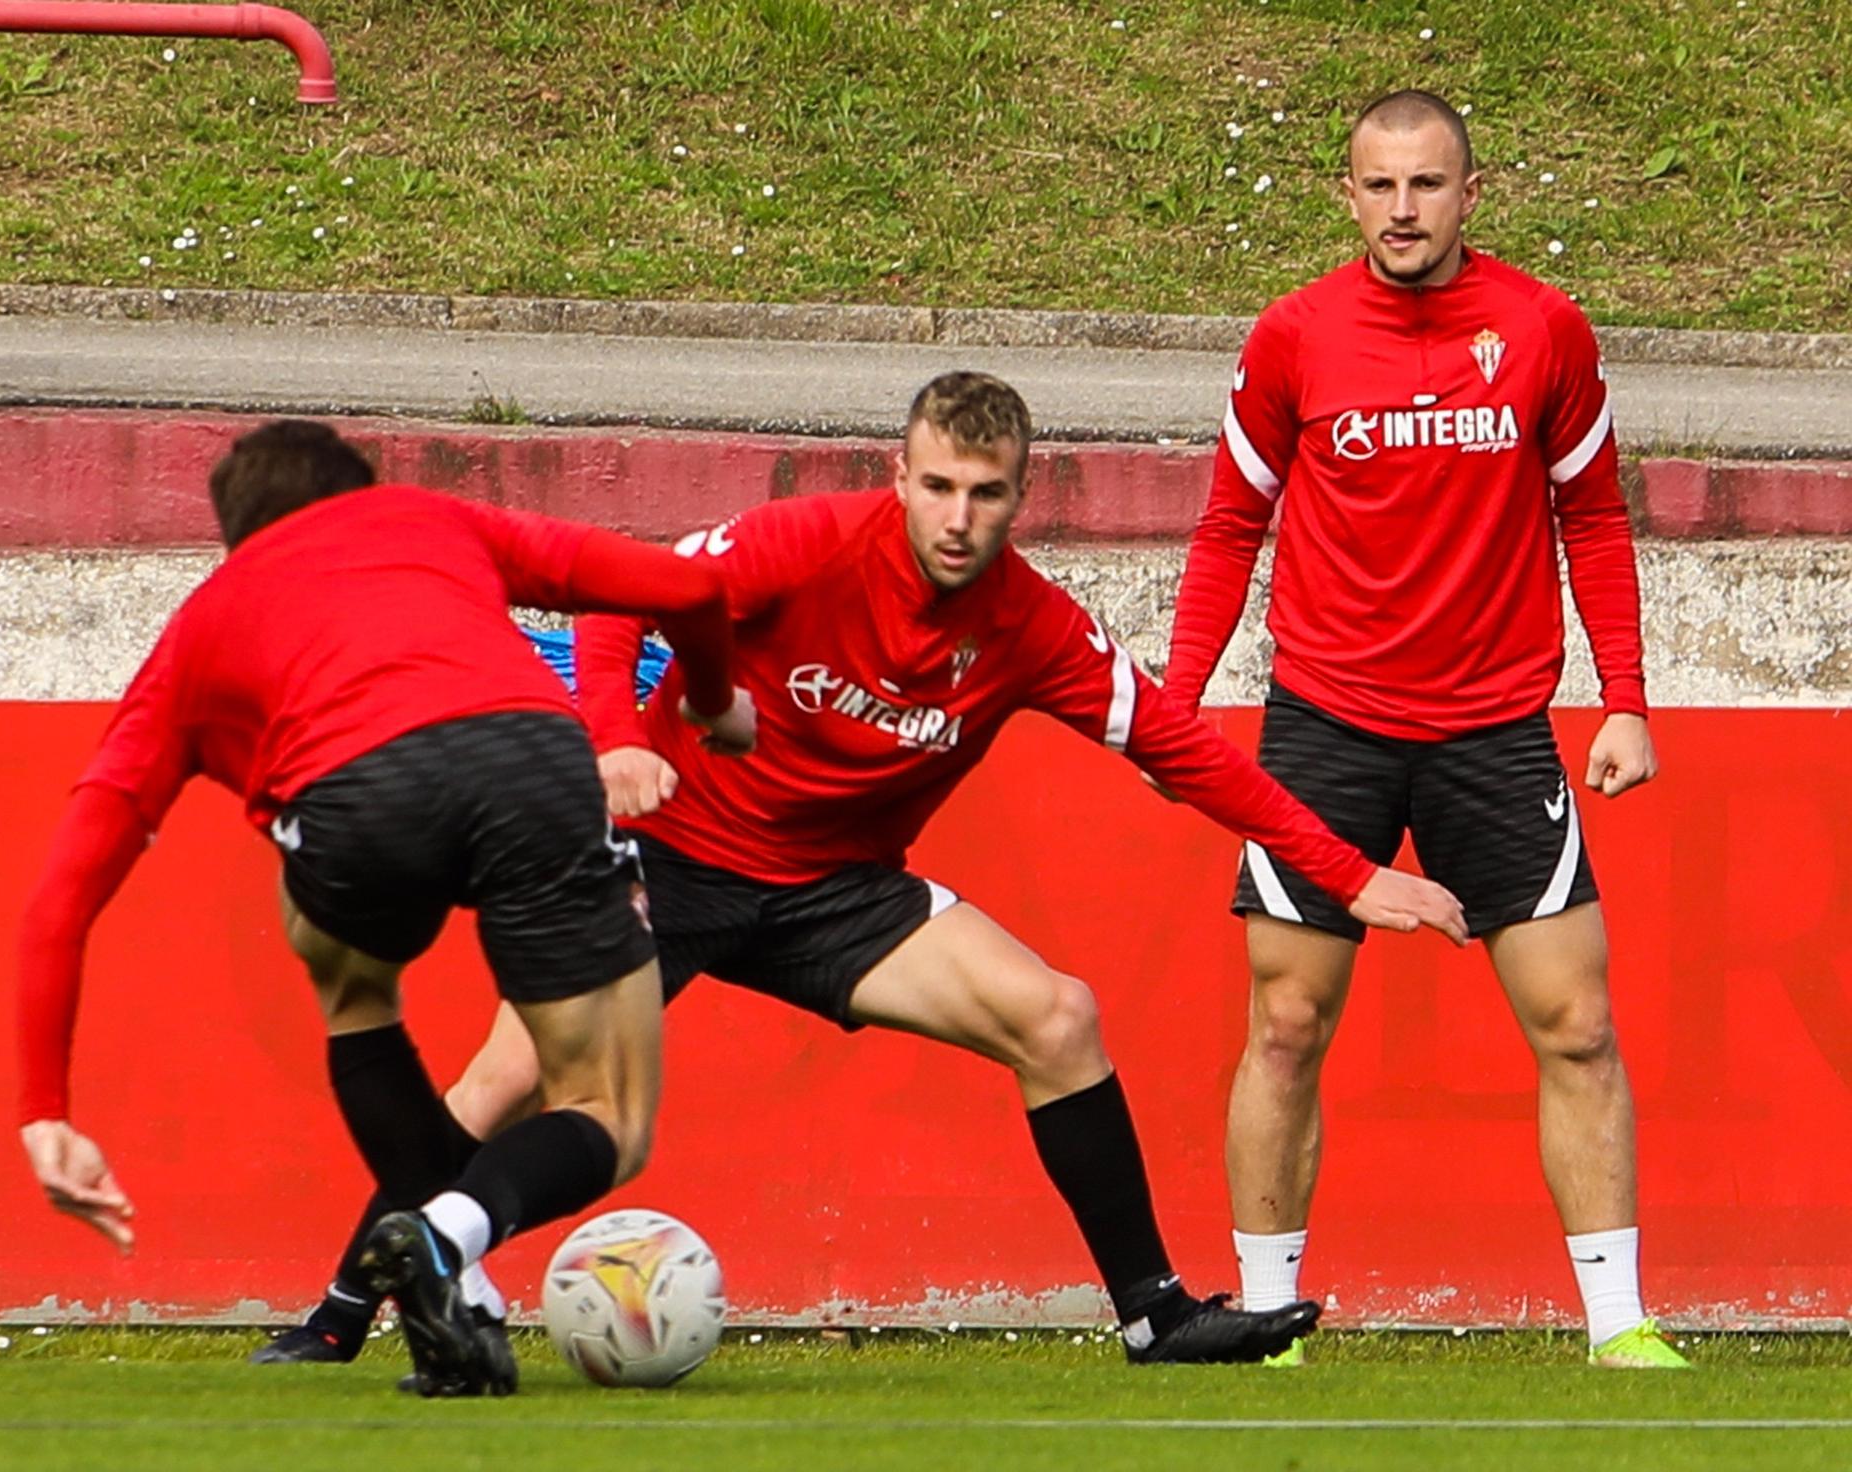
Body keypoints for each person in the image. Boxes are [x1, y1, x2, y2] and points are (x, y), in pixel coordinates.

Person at [260, 372, 1466, 1371]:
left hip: (839, 892)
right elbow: (619, 592)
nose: (957, 515)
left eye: (985, 494)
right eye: (936, 484)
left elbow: (1185, 750)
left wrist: (1348, 874)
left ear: (1017, 499)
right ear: (898, 478)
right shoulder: (808, 542)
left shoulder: (1034, 627)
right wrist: (619, 742)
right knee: (508, 1081)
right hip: (671, 853)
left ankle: (1156, 1313)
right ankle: (338, 1314)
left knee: (1056, 1016)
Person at [14, 419, 756, 1397]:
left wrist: (45, 1112)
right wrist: (709, 696)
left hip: (352, 804)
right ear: (363, 493)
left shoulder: (207, 619)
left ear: (237, 539)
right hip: (530, 763)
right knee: (605, 1113)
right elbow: (690, 588)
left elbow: (64, 891)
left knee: (352, 987)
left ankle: (441, 1287)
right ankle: (450, 1238)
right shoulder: (428, 520)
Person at [1161, 90, 1686, 1369]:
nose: (1403, 208)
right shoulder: (1290, 338)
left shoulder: (1541, 328)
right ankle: (1266, 1317)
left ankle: (1617, 1325)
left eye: (1426, 185)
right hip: (1325, 725)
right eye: (1379, 186)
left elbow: (1596, 521)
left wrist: (1622, 695)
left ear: (1469, 194)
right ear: (1347, 196)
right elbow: (1231, 525)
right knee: (1285, 1025)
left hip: (1495, 728)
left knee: (1575, 1023)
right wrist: (1175, 701)